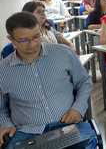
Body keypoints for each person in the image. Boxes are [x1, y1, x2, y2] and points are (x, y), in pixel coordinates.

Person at [0, 12, 96, 149]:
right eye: (24, 40)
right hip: (28, 132)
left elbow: (84, 82)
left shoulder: (63, 53)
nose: (32, 44)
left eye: (36, 36)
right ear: (12, 40)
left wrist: (78, 109)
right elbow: (1, 108)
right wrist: (6, 124)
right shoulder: (3, 70)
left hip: (67, 124)